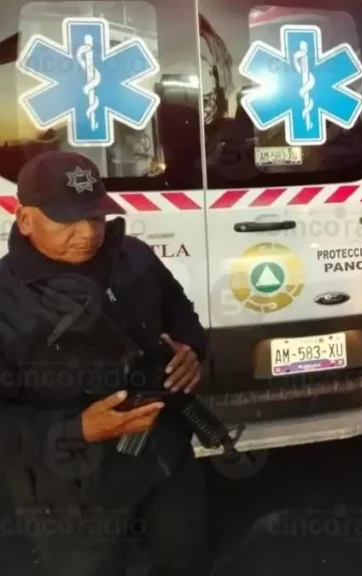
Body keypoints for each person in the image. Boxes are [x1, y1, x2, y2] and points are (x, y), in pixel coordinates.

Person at [0, 151, 210, 576]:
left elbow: (184, 319)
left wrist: (192, 355)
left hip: (164, 462)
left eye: (95, 217)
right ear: (24, 219)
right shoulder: (5, 300)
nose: (87, 234)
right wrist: (79, 429)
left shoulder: (133, 257)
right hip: (70, 491)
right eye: (66, 220)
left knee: (186, 560)